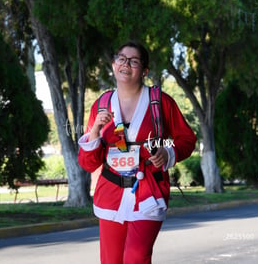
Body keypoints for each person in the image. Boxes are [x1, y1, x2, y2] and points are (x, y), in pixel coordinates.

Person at [78, 41, 197, 264]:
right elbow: (88, 162)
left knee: (135, 257)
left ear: (144, 70)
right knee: (111, 260)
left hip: (148, 192)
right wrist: (94, 130)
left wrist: (167, 153)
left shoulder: (160, 102)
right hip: (111, 193)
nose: (126, 64)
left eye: (134, 61)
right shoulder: (101, 105)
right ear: (114, 65)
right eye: (121, 59)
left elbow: (187, 139)